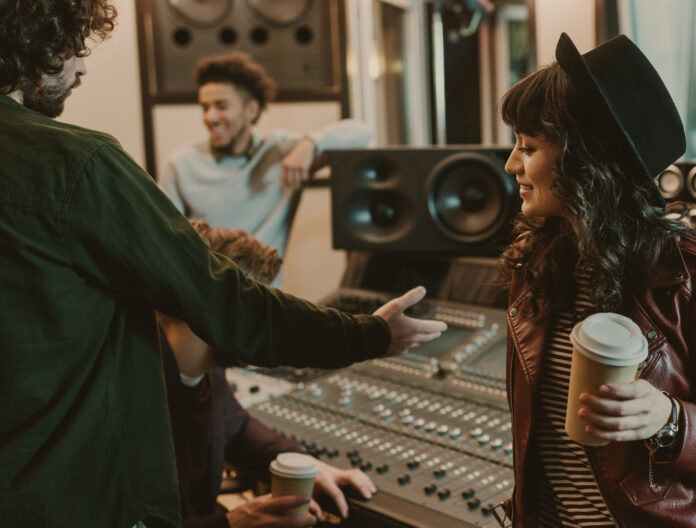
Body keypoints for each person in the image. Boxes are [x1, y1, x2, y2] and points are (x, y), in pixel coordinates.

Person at [0, 3, 446, 527]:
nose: (82, 68)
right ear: (36, 43)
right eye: (73, 48)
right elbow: (217, 298)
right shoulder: (79, 165)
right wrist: (370, 336)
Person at [497, 33, 696, 527]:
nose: (512, 164)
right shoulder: (535, 264)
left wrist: (668, 421)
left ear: (586, 159)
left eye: (529, 146)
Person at [159, 221, 376, 528]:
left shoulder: (206, 371)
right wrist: (232, 523)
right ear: (214, 311)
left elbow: (238, 427)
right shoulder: (130, 388)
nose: (266, 333)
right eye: (259, 315)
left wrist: (301, 462)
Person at [159, 52, 374, 287]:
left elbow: (363, 132)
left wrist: (310, 144)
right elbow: (166, 242)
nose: (210, 117)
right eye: (205, 107)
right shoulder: (180, 164)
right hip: (204, 298)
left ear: (251, 110)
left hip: (267, 299)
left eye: (220, 106)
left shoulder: (280, 151)